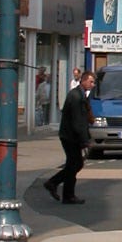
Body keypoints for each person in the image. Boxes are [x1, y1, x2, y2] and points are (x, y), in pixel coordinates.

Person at [44, 70, 95, 204]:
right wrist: (85, 140)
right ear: (83, 80)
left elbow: (84, 119)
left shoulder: (80, 94)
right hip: (70, 136)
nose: (92, 84)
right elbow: (78, 121)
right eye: (91, 81)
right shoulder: (76, 96)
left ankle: (64, 192)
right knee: (75, 164)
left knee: (74, 164)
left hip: (70, 135)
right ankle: (56, 185)